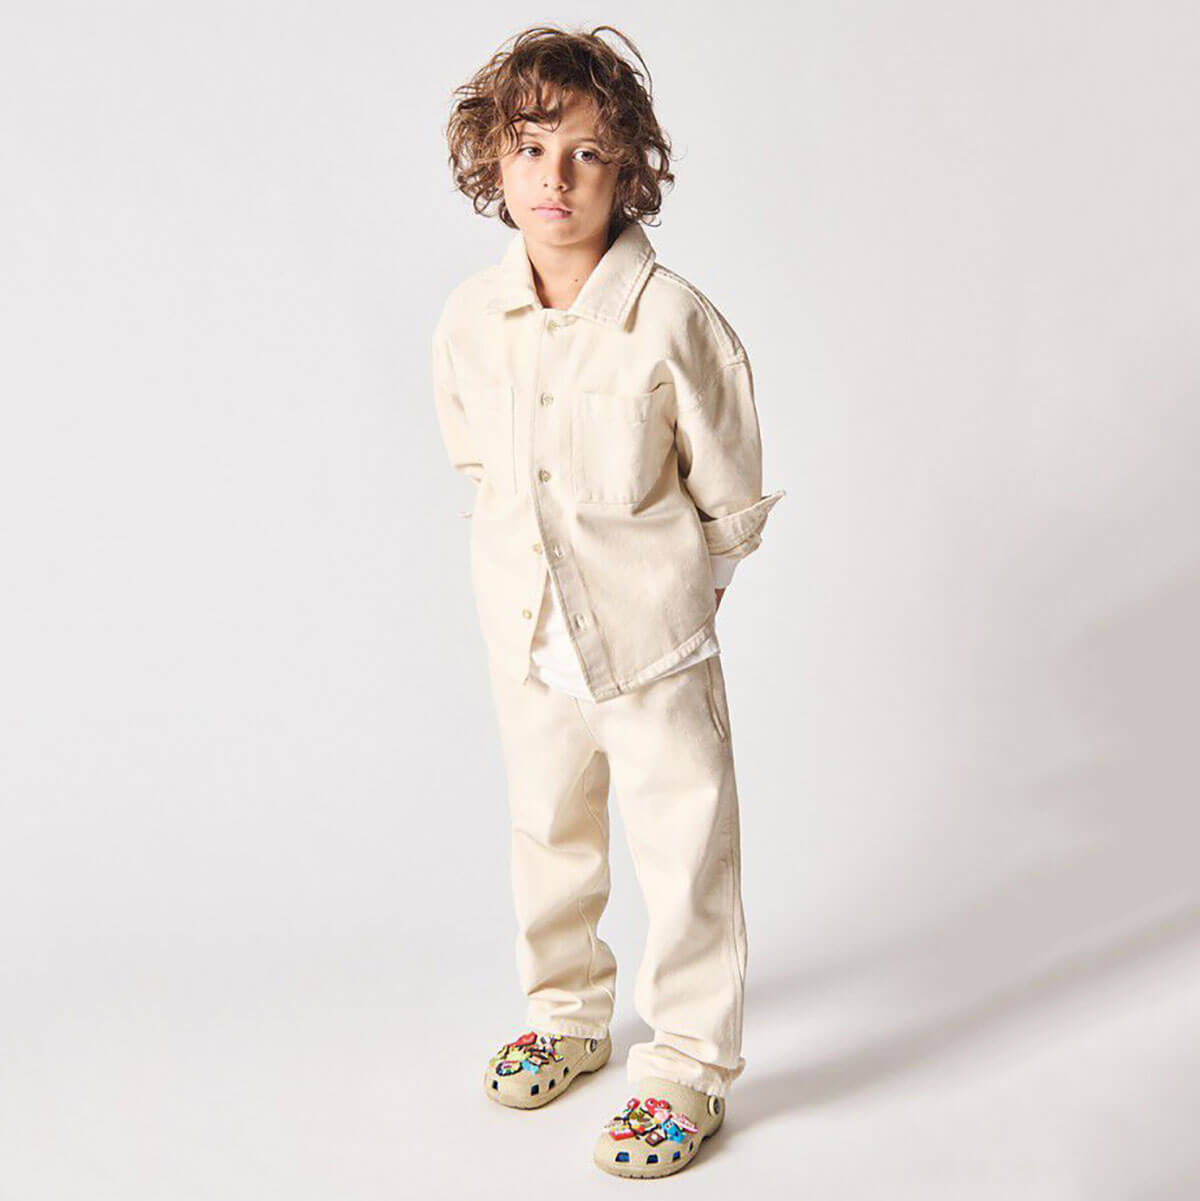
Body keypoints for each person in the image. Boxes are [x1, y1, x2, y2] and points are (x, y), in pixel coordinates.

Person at [432, 24, 785, 1180]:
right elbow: (481, 467)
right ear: (492, 158)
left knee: (685, 854)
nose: (556, 177)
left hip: (652, 648)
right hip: (529, 642)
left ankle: (688, 1065)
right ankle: (568, 1012)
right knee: (549, 833)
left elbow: (728, 494)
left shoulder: (673, 322)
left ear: (627, 167)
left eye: (587, 152)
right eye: (530, 148)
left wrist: (683, 608)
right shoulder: (470, 323)